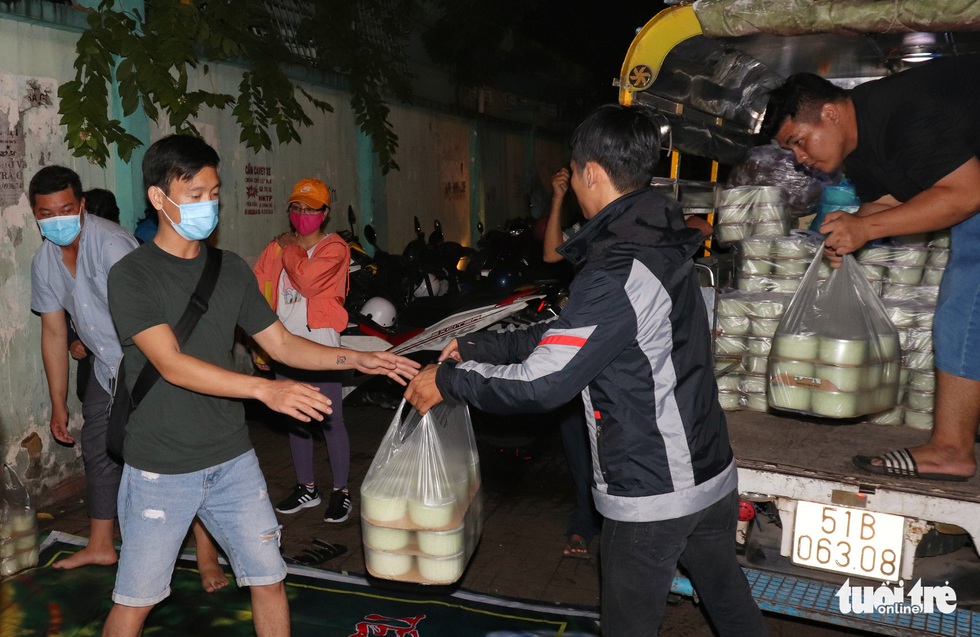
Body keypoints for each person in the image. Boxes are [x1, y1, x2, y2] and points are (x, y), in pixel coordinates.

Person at [405, 105, 768, 636]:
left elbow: (544, 382)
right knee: (730, 603)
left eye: (573, 173)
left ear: (592, 172)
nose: (572, 185)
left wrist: (448, 381)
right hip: (709, 473)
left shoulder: (620, 267)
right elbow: (570, 336)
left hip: (653, 491)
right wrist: (477, 346)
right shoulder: (656, 243)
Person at [103, 134, 419, 636]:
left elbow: (284, 345)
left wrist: (362, 359)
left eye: (214, 193)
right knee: (136, 599)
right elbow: (172, 364)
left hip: (232, 459)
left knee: (269, 579)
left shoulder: (229, 269)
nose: (209, 205)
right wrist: (264, 390)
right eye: (195, 195)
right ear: (159, 198)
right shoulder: (132, 276)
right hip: (161, 466)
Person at [760, 58, 980, 481]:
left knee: (965, 303)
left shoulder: (901, 115)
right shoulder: (860, 149)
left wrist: (866, 228)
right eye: (791, 151)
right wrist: (850, 229)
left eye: (800, 141)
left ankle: (952, 449)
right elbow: (893, 201)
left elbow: (967, 194)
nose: (801, 158)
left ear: (830, 113)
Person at [29, 167, 229, 591]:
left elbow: (156, 309)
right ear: (35, 215)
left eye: (66, 209)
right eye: (47, 213)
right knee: (98, 448)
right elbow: (53, 331)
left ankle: (207, 551)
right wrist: (59, 402)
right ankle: (101, 544)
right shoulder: (44, 261)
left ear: (81, 206)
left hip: (150, 364)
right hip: (106, 366)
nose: (57, 218)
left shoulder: (112, 244)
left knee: (172, 455)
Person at [253, 178, 353, 522]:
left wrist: (290, 247)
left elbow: (308, 281)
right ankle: (306, 487)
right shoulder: (276, 247)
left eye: (310, 209)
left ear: (324, 214)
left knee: (330, 420)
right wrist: (260, 345)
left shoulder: (335, 248)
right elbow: (261, 288)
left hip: (320, 346)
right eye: (296, 208)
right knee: (296, 419)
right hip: (283, 344)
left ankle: (341, 491)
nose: (302, 215)